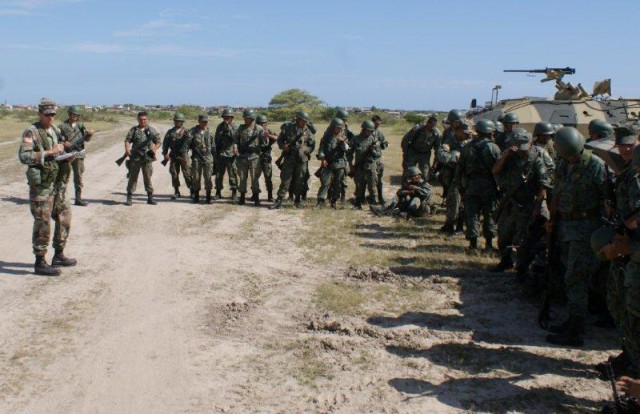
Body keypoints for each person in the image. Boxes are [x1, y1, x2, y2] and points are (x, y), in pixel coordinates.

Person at [545, 127, 606, 347]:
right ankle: (573, 319)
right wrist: (552, 219)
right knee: (567, 272)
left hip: (586, 228)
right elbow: (557, 191)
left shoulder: (595, 166)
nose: (570, 157)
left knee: (576, 277)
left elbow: (607, 200)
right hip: (565, 225)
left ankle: (576, 328)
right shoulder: (562, 164)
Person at [18, 98, 76, 276]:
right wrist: (49, 152)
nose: (51, 117)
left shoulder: (56, 130)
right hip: (42, 185)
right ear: (40, 114)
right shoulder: (32, 132)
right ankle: (40, 261)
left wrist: (68, 156)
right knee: (43, 222)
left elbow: (60, 151)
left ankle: (58, 253)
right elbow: (24, 156)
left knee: (65, 216)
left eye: (53, 114)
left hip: (58, 182)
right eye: (47, 114)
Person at [491, 128, 550, 273]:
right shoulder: (510, 156)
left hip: (527, 203)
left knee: (522, 237)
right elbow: (495, 171)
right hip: (509, 201)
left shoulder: (537, 158)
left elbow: (544, 184)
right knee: (504, 233)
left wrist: (537, 207)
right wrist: (505, 155)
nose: (523, 151)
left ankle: (521, 266)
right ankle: (505, 261)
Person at [453, 119, 502, 250]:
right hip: (489, 186)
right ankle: (489, 244)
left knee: (472, 214)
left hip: (471, 185)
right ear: (490, 132)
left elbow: (460, 169)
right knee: (489, 215)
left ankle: (473, 244)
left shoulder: (467, 147)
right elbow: (499, 169)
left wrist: (460, 187)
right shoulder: (494, 148)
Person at [270, 111, 315, 209]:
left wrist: (305, 150)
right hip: (289, 159)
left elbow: (312, 146)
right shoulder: (288, 128)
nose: (304, 123)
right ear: (298, 119)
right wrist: (283, 146)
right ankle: (279, 201)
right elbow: (280, 139)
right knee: (285, 180)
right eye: (302, 121)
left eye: (305, 121)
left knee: (300, 181)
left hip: (302, 160)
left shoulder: (308, 132)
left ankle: (297, 201)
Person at [437, 121, 472, 234]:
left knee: (465, 202)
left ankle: (460, 226)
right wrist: (452, 158)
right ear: (458, 131)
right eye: (465, 132)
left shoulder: (472, 140)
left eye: (468, 132)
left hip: (468, 176)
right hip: (454, 176)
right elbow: (441, 154)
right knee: (453, 200)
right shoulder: (451, 140)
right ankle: (450, 225)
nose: (467, 134)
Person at [57, 105, 94, 206]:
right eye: (74, 114)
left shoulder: (81, 125)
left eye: (77, 115)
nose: (75, 117)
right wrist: (64, 143)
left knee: (78, 178)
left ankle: (78, 198)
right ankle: (61, 199)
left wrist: (90, 134)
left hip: (78, 155)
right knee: (64, 177)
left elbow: (86, 139)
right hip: (66, 155)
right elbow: (58, 140)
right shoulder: (62, 126)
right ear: (69, 114)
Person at [124, 111, 161, 206]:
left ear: (147, 119)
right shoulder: (134, 130)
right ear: (138, 120)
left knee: (147, 177)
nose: (143, 121)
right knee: (132, 177)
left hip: (147, 158)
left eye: (144, 119)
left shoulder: (151, 130)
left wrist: (154, 148)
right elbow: (127, 140)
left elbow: (158, 142)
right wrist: (127, 149)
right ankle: (129, 197)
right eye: (141, 119)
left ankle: (150, 197)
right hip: (135, 157)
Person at [315, 117, 349, 209]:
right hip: (328, 164)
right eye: (337, 127)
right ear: (333, 127)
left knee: (337, 184)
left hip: (339, 164)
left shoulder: (343, 137)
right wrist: (323, 160)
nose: (339, 129)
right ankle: (320, 202)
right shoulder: (326, 137)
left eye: (341, 128)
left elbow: (346, 149)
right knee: (325, 183)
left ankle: (333, 202)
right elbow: (321, 150)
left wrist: (343, 143)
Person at [235, 109, 266, 206]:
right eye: (244, 118)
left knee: (254, 178)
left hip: (254, 157)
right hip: (243, 157)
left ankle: (256, 197)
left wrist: (265, 137)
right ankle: (242, 197)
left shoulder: (259, 129)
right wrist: (235, 146)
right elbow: (236, 139)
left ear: (252, 118)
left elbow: (264, 143)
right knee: (242, 177)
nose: (244, 119)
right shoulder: (241, 128)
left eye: (246, 118)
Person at [349, 120, 380, 209]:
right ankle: (358, 203)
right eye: (368, 130)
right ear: (363, 129)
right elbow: (349, 153)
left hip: (371, 166)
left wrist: (373, 150)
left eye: (371, 131)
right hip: (359, 166)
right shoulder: (355, 139)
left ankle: (373, 203)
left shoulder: (374, 140)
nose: (369, 132)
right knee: (359, 185)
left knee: (372, 185)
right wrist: (351, 165)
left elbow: (378, 154)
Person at [185, 115, 216, 204]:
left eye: (206, 122)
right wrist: (185, 155)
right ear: (199, 121)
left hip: (208, 157)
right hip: (197, 158)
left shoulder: (210, 133)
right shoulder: (193, 132)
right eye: (202, 121)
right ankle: (196, 196)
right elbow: (186, 145)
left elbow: (213, 147)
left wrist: (215, 159)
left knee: (208, 177)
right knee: (196, 177)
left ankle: (208, 196)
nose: (204, 123)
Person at [161, 112, 192, 200]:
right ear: (174, 121)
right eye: (176, 121)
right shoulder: (170, 132)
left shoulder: (186, 132)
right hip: (173, 156)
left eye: (179, 121)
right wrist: (165, 154)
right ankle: (176, 191)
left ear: (182, 122)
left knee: (187, 173)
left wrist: (186, 155)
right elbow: (165, 144)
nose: (177, 123)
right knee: (174, 174)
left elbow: (190, 144)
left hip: (183, 156)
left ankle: (192, 191)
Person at [401, 114, 441, 180]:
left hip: (425, 154)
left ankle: (422, 189)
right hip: (413, 152)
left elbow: (438, 149)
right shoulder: (417, 129)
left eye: (433, 126)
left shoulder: (437, 134)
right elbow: (405, 140)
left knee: (425, 175)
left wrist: (435, 163)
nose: (431, 128)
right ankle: (406, 187)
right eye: (430, 126)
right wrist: (406, 153)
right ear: (427, 123)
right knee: (408, 172)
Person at [214, 108, 238, 201]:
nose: (226, 119)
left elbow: (234, 138)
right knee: (219, 174)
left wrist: (228, 127)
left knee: (232, 174)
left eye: (228, 117)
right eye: (225, 117)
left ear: (232, 118)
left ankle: (234, 192)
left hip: (231, 154)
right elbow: (216, 140)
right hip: (221, 154)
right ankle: (218, 192)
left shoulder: (235, 126)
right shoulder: (219, 126)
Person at [256, 114, 278, 202]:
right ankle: (255, 194)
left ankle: (270, 196)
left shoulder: (268, 131)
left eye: (264, 124)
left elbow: (277, 137)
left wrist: (268, 135)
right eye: (261, 124)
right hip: (256, 157)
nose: (263, 125)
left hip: (266, 157)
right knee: (255, 177)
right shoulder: (254, 131)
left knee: (268, 177)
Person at [371, 115, 389, 204]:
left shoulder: (379, 132)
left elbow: (383, 143)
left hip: (378, 158)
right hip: (368, 159)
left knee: (378, 180)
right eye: (376, 124)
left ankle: (380, 197)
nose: (377, 125)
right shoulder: (367, 131)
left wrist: (384, 144)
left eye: (379, 124)